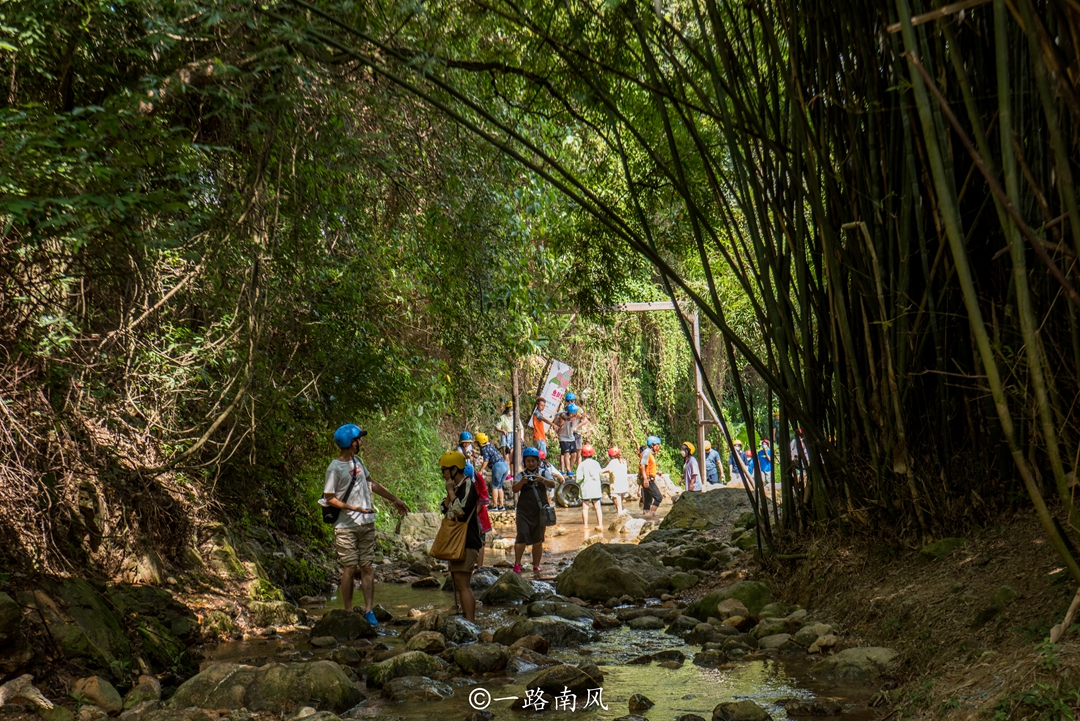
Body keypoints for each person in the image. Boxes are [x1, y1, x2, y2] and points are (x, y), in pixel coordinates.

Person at [323, 424, 409, 625]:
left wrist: (394, 499)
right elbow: (329, 498)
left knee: (367, 567)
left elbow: (372, 484)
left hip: (366, 524)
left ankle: (369, 611)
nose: (361, 442)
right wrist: (355, 508)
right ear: (352, 443)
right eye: (359, 439)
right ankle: (349, 610)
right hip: (345, 526)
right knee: (350, 568)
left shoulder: (358, 461)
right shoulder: (334, 468)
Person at [439, 451, 482, 621]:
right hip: (457, 541)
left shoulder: (468, 485)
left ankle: (471, 621)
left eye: (444, 470)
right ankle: (466, 617)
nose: (442, 474)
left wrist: (450, 492)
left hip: (467, 540)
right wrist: (450, 493)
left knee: (464, 584)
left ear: (454, 469)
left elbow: (461, 511)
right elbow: (445, 509)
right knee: (459, 582)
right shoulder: (457, 487)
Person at [512, 447, 556, 575]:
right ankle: (517, 563)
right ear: (524, 462)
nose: (531, 463)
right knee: (522, 536)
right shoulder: (520, 475)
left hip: (540, 512)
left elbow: (552, 484)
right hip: (524, 512)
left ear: (537, 461)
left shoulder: (543, 473)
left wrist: (541, 480)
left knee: (538, 539)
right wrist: (522, 482)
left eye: (533, 461)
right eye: (528, 461)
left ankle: (536, 565)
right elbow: (515, 489)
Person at [466, 462, 493, 570]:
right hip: (464, 514)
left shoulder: (479, 478)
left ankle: (479, 567)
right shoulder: (456, 479)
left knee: (480, 541)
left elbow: (482, 501)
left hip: (478, 516)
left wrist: (472, 516)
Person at [576, 444, 604, 531]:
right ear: (592, 453)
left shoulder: (581, 465)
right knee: (598, 507)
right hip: (596, 488)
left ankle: (586, 526)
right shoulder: (596, 463)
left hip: (585, 489)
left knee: (585, 507)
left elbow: (579, 478)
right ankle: (600, 525)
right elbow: (601, 475)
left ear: (583, 454)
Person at [552, 403, 579, 476]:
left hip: (571, 437)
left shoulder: (576, 416)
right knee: (566, 454)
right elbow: (565, 418)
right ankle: (569, 470)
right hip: (563, 437)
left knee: (574, 454)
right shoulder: (563, 414)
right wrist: (571, 417)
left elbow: (582, 417)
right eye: (573, 413)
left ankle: (569, 469)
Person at [639, 435, 663, 518]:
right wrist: (645, 479)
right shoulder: (647, 452)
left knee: (648, 501)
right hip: (648, 480)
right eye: (657, 445)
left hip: (649, 478)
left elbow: (647, 467)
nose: (658, 447)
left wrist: (656, 472)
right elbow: (642, 465)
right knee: (659, 497)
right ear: (652, 445)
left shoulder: (650, 454)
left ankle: (646, 517)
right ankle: (652, 515)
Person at [602, 446, 629, 514]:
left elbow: (606, 470)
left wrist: (597, 471)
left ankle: (620, 519)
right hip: (624, 486)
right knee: (622, 506)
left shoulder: (613, 462)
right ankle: (626, 516)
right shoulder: (623, 461)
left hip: (616, 487)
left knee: (618, 508)